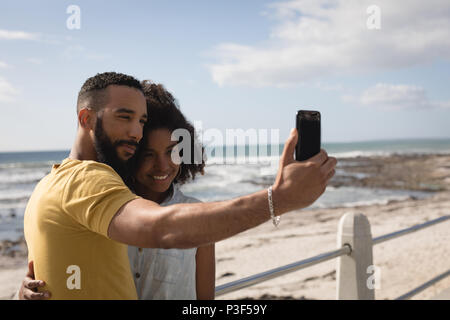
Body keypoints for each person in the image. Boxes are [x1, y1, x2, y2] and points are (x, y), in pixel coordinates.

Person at [21, 72, 336, 299]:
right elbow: (162, 228)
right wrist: (278, 199)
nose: (162, 165)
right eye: (147, 154)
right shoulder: (89, 187)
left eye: (172, 151)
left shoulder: (197, 215)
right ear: (86, 119)